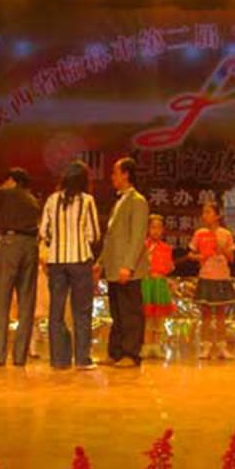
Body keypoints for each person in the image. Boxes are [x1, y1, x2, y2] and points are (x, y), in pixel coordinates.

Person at [39, 160, 101, 370]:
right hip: (80, 260)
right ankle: (82, 359)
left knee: (56, 311)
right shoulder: (87, 200)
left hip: (56, 262)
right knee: (81, 310)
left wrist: (56, 242)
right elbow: (94, 234)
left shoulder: (52, 199)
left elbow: (44, 232)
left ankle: (59, 359)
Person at [0, 167, 41, 367]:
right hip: (31, 247)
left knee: (1, 300)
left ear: (12, 181)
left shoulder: (2, 194)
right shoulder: (33, 200)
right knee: (26, 303)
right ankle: (20, 357)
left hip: (9, 245)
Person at [96, 157, 149, 367]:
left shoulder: (137, 201)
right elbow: (111, 238)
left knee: (130, 313)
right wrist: (100, 261)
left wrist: (128, 265)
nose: (112, 177)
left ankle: (131, 353)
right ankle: (116, 352)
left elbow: (137, 237)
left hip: (128, 269)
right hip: (114, 266)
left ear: (126, 174)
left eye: (115, 172)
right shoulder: (119, 201)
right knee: (117, 312)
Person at [189, 201, 235, 360]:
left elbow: (231, 258)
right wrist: (200, 256)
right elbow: (190, 254)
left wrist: (222, 249)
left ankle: (222, 347)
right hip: (206, 275)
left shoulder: (226, 234)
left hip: (221, 276)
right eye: (204, 212)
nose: (205, 215)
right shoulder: (200, 233)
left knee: (221, 313)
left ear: (217, 216)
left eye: (208, 212)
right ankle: (206, 347)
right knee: (206, 314)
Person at [141, 215, 175, 359]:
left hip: (160, 284)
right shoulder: (143, 246)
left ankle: (156, 345)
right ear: (147, 229)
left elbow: (168, 267)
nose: (156, 231)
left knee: (159, 316)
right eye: (153, 227)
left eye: (159, 228)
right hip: (147, 283)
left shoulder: (166, 248)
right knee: (148, 316)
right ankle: (146, 345)